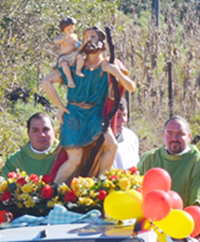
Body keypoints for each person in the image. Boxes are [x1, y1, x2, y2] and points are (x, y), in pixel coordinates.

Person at [40, 26, 136, 184]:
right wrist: (60, 107)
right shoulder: (74, 65)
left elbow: (131, 87)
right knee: (74, 159)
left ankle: (99, 186)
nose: (88, 40)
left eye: (93, 36)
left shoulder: (110, 65)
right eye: (86, 37)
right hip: (74, 115)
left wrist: (115, 72)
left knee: (112, 146)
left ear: (102, 41)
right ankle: (54, 192)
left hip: (95, 116)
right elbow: (46, 82)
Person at [0, 112, 58, 179]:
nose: (41, 134)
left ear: (54, 131)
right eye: (35, 130)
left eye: (45, 129)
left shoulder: (66, 155)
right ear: (28, 133)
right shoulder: (15, 161)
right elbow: (4, 186)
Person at [53, 17, 84, 89]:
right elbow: (55, 41)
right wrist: (63, 39)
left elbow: (76, 43)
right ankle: (69, 78)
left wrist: (79, 46)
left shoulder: (74, 35)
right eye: (68, 29)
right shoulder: (62, 37)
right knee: (64, 64)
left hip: (73, 53)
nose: (71, 31)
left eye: (72, 28)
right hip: (65, 56)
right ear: (63, 29)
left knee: (80, 57)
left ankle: (78, 70)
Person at [111, 99, 139, 170]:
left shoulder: (131, 137)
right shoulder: (97, 139)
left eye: (125, 115)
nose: (123, 120)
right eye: (118, 116)